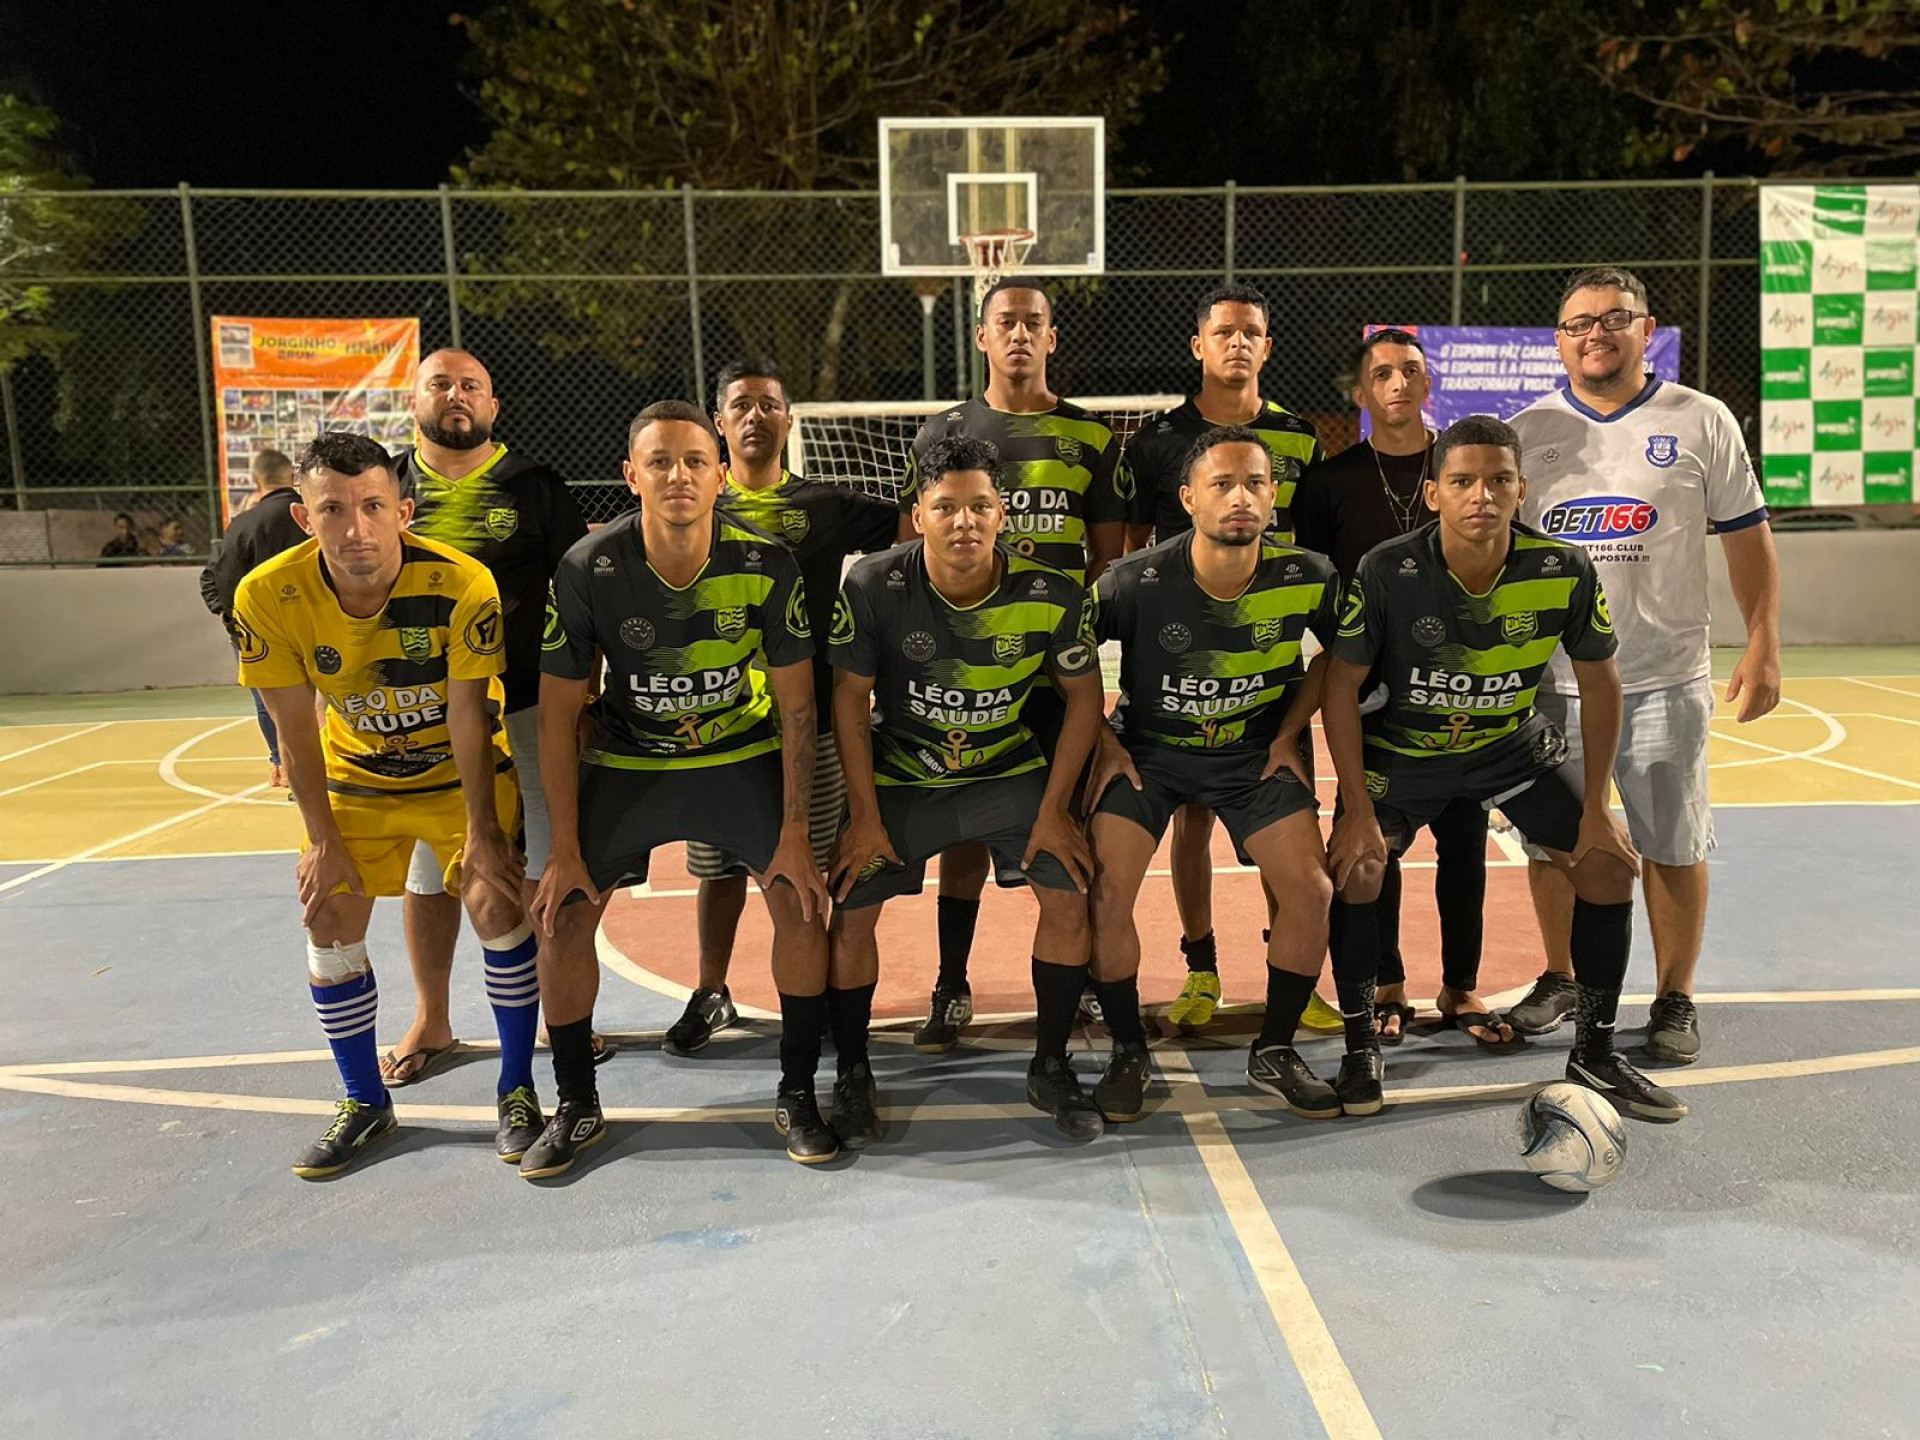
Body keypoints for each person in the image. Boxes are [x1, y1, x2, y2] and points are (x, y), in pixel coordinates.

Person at [1320, 415, 1685, 1121]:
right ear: (1433, 494)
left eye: (1498, 480)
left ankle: (1597, 1052)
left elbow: (1601, 683)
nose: (1480, 495)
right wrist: (1356, 810)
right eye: (1461, 481)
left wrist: (1595, 811)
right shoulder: (1388, 569)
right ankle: (1361, 1047)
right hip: (1404, 755)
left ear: (1524, 489)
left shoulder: (1563, 569)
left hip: (1507, 747)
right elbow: (1338, 687)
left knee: (1609, 867)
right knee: (1359, 868)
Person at [231, 432, 548, 1177]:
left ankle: (518, 1089)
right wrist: (320, 839)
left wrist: (482, 832)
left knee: (496, 903)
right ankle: (364, 1099)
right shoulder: (267, 594)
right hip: (355, 779)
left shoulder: (463, 582)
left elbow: (471, 715)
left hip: (456, 774)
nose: (355, 528)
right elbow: (290, 726)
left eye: (373, 506)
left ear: (403, 511)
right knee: (328, 913)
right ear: (304, 518)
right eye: (333, 509)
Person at [530, 400, 833, 1174]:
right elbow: (560, 714)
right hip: (631, 760)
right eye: (659, 461)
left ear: (720, 474)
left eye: (695, 461)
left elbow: (799, 703)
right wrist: (563, 848)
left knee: (799, 897)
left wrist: (794, 833)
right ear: (632, 476)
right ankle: (575, 1102)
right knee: (563, 915)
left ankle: (798, 1092)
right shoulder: (588, 566)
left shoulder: (766, 562)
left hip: (736, 752)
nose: (678, 475)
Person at [1507, 267, 1781, 1064]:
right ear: (1559, 340)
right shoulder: (1526, 432)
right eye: (1578, 323)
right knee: (1555, 843)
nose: (1595, 333)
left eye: (1613, 318)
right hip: (1554, 684)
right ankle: (1560, 977)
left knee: (1673, 843)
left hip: (1663, 677)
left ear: (1646, 327)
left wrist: (1763, 641)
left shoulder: (1701, 420)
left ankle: (1673, 996)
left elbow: (1748, 538)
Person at [828, 435, 1106, 1142]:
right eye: (946, 506)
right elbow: (848, 706)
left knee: (1069, 897)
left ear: (1002, 513)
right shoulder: (872, 586)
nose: (965, 522)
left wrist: (1054, 813)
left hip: (1006, 772)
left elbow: (1083, 700)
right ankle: (854, 1071)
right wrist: (863, 817)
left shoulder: (1050, 592)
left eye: (980, 505)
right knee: (852, 909)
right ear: (917, 514)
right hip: (904, 775)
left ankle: (1050, 1063)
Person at [891, 278, 1133, 1051]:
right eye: (1007, 322)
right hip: (965, 675)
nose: (1021, 334)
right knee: (963, 837)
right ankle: (952, 984)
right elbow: (907, 553)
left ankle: (1083, 984)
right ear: (982, 336)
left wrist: (1057, 635)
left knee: (1071, 828)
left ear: (1052, 337)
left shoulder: (1093, 440)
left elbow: (1108, 559)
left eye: (1035, 322)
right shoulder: (943, 433)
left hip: (1054, 672)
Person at [1085, 426, 1340, 1120]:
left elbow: (1339, 658)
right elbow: (1063, 656)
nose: (1240, 497)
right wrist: (1102, 742)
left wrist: (1292, 731)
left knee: (1311, 890)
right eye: (1222, 484)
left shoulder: (1308, 575)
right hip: (1151, 755)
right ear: (1188, 498)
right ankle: (1129, 1049)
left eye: (1255, 483)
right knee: (1106, 892)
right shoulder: (1132, 581)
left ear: (1274, 497)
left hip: (1253, 758)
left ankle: (1276, 1048)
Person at [1120, 285, 1334, 1033]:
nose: (1238, 343)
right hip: (1180, 668)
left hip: (1267, 673)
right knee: (1191, 823)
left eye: (1252, 333)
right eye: (1224, 333)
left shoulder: (1300, 438)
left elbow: (1316, 550)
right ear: (1199, 347)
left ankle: (1292, 975)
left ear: (1267, 346)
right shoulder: (1155, 440)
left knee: (1285, 818)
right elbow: (1125, 553)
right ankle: (1200, 968)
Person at [671, 358, 899, 1057]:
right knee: (718, 871)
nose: (754, 415)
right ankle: (712, 989)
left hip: (819, 723)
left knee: (819, 862)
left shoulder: (825, 506)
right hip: (723, 723)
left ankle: (819, 990)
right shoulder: (695, 505)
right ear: (719, 421)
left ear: (788, 419)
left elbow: (915, 524)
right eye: (741, 404)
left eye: (769, 404)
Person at [381, 348, 594, 1088]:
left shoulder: (533, 487)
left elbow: (579, 594)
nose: (456, 395)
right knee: (429, 869)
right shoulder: (385, 488)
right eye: (440, 384)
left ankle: (561, 1015)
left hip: (531, 699)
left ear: (494, 406)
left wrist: (589, 692)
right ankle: (432, 1015)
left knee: (545, 859)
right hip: (425, 711)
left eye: (472, 384)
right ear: (414, 401)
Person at [1292, 329, 1504, 1048]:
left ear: (1428, 384)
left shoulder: (1464, 468)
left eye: (1412, 371)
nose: (1398, 384)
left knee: (1464, 843)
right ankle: (1384, 978)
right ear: (1361, 392)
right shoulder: (1331, 481)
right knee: (1370, 845)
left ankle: (1461, 983)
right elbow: (1317, 588)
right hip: (1373, 697)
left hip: (1460, 690)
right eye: (1382, 373)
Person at [200, 449, 307, 789]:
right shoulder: (316, 517)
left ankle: (283, 763)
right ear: (294, 477)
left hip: (258, 631)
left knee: (269, 702)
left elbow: (219, 579)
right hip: (313, 625)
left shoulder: (243, 525)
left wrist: (233, 623)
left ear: (256, 480)